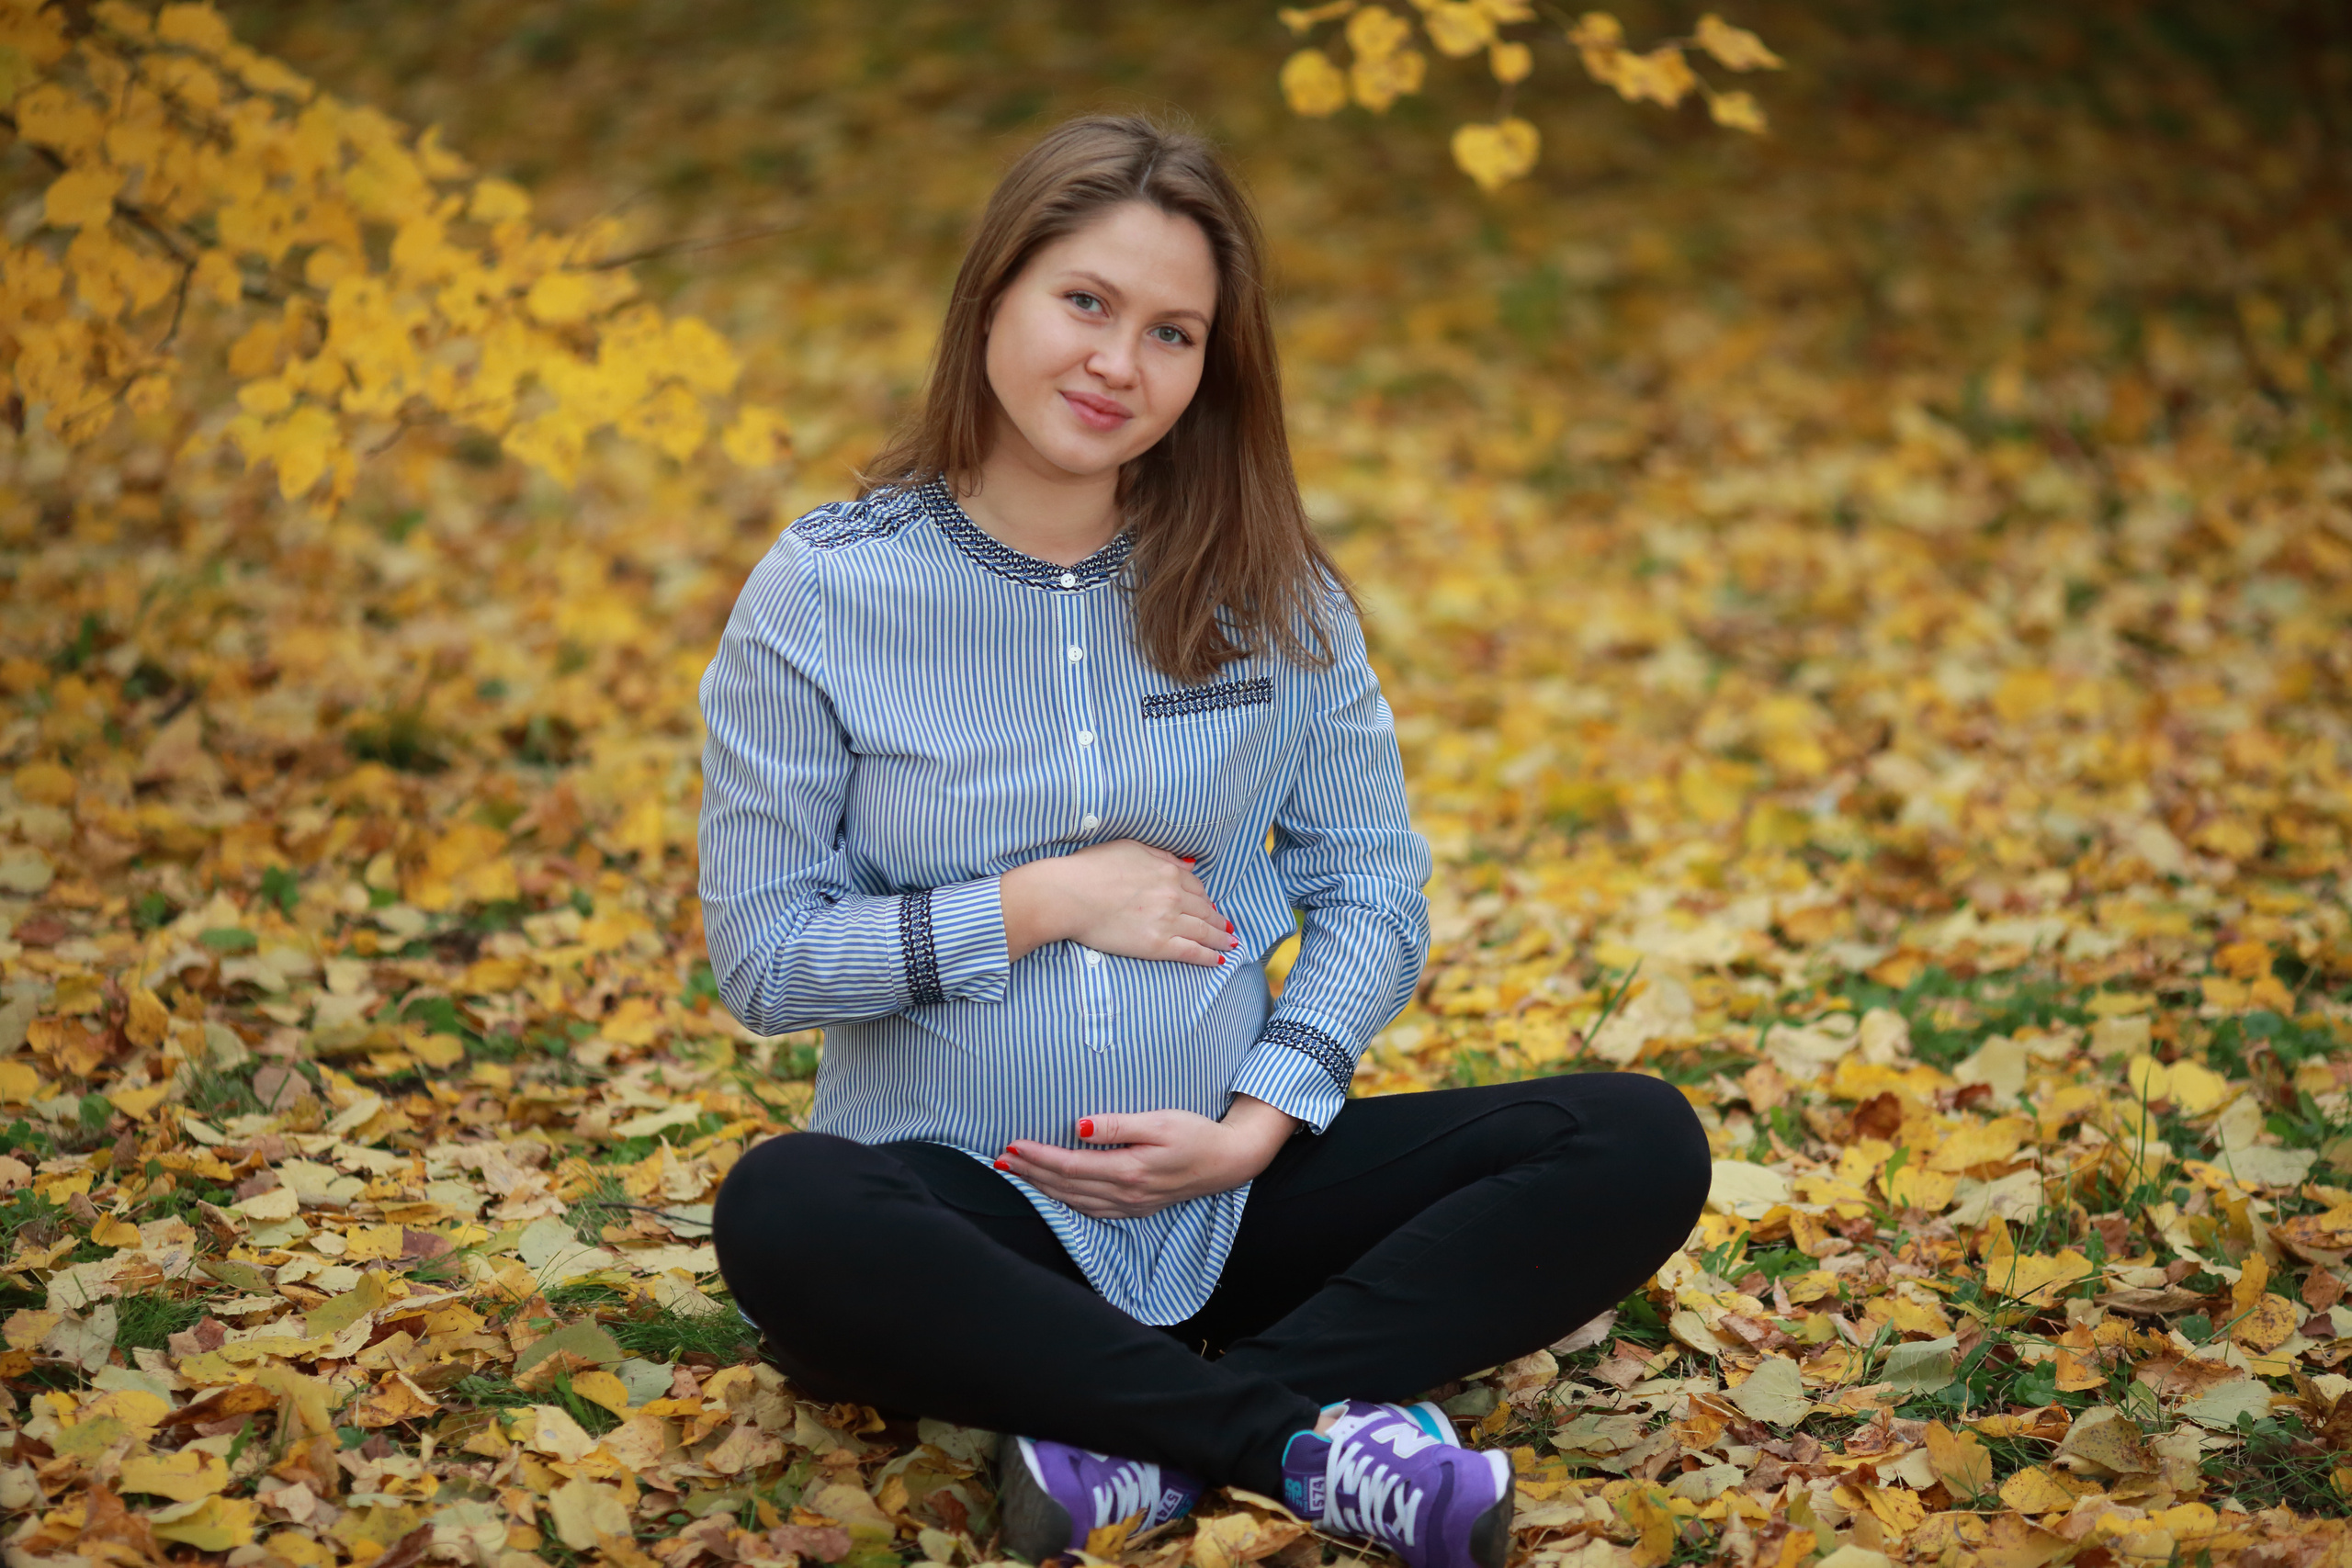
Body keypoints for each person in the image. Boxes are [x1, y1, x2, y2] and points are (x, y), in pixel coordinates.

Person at [697, 114, 1711, 1568]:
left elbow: (1371, 885)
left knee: (1631, 1140)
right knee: (783, 1206)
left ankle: (1144, 1435)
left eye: (1173, 333)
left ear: (1208, 371)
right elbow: (766, 961)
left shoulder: (1269, 586)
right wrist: (1040, 901)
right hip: (967, 1219)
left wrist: (1258, 1127)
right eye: (1087, 303)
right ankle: (1294, 1444)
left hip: (1240, 1214)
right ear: (994, 294)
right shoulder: (822, 589)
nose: (1120, 362)